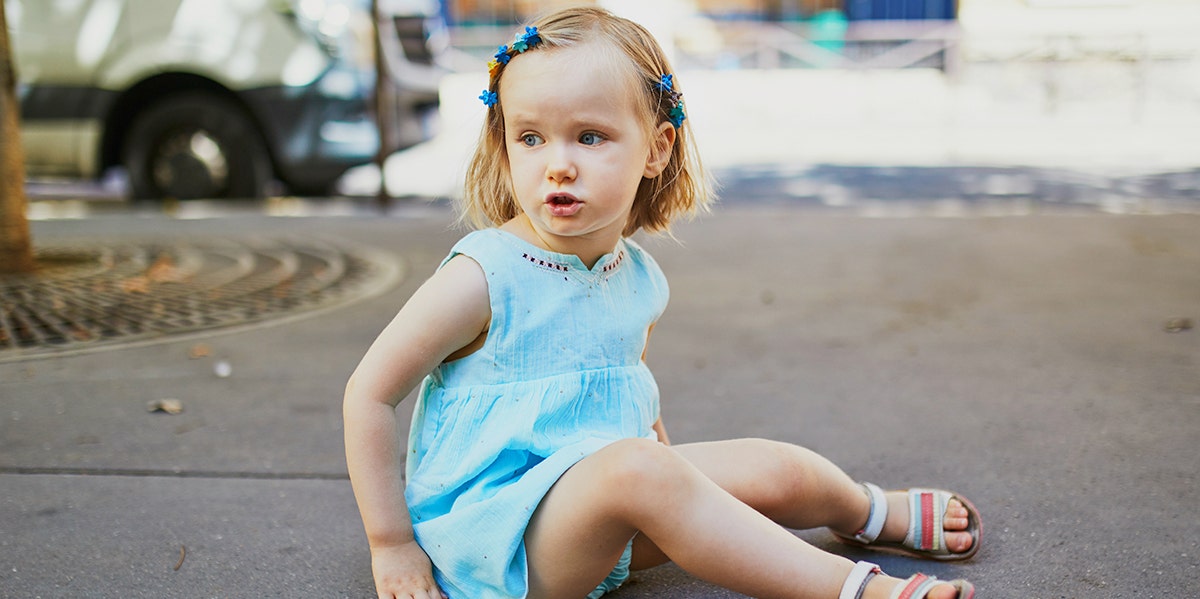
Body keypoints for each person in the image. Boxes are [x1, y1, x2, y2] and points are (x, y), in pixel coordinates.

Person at [343, 7, 981, 599]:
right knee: (641, 470)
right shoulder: (484, 277)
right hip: (499, 545)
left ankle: (869, 510)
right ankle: (857, 589)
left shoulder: (636, 274)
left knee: (772, 467)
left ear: (657, 149)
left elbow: (626, 387)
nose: (557, 165)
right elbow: (368, 394)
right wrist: (392, 543)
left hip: (607, 503)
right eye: (530, 138)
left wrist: (675, 478)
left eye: (589, 137)